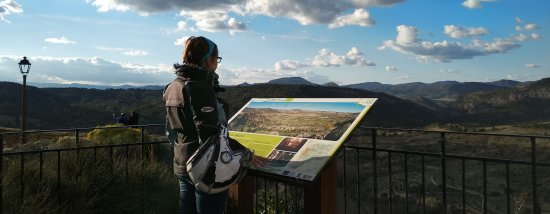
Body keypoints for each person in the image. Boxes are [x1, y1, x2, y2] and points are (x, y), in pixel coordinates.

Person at [163, 36, 267, 214]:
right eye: (216, 60)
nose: (216, 64)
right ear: (208, 60)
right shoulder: (200, 87)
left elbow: (170, 127)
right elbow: (210, 134)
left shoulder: (172, 86)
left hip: (181, 161)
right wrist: (243, 152)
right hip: (205, 168)